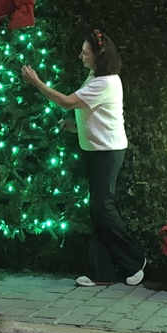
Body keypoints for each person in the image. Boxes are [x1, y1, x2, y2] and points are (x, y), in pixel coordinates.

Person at [22, 30, 146, 287]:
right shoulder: (95, 77)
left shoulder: (105, 82)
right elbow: (94, 112)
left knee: (103, 208)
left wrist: (37, 83)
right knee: (97, 211)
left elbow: (68, 102)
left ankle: (135, 260)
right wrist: (76, 126)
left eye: (85, 52)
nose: (80, 56)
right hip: (94, 149)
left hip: (107, 152)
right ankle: (104, 273)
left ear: (99, 57)